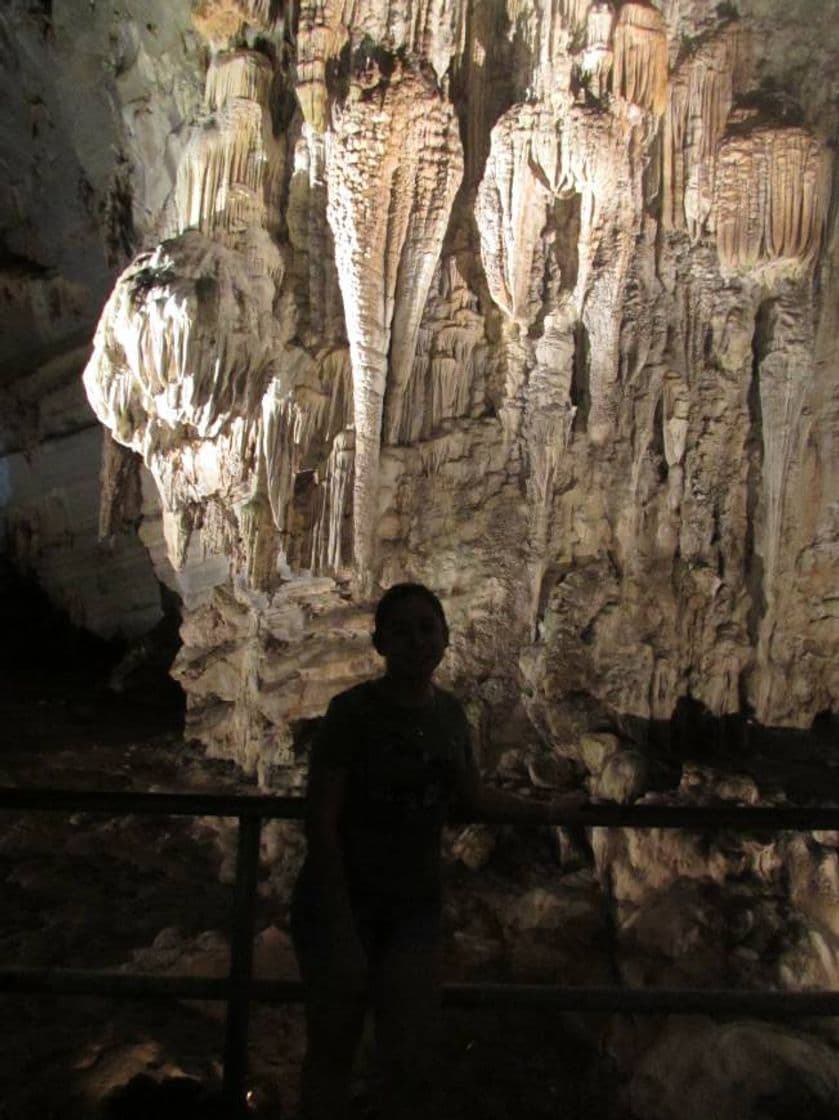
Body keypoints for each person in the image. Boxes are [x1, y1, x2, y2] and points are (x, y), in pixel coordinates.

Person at [290, 583, 585, 1120]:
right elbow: (322, 818)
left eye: (427, 628)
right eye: (401, 630)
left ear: (446, 639)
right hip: (344, 905)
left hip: (412, 910)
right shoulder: (351, 713)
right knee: (333, 1050)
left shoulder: (449, 716)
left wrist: (546, 811)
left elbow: (471, 796)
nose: (416, 641)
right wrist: (337, 915)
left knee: (408, 1055)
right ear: (379, 642)